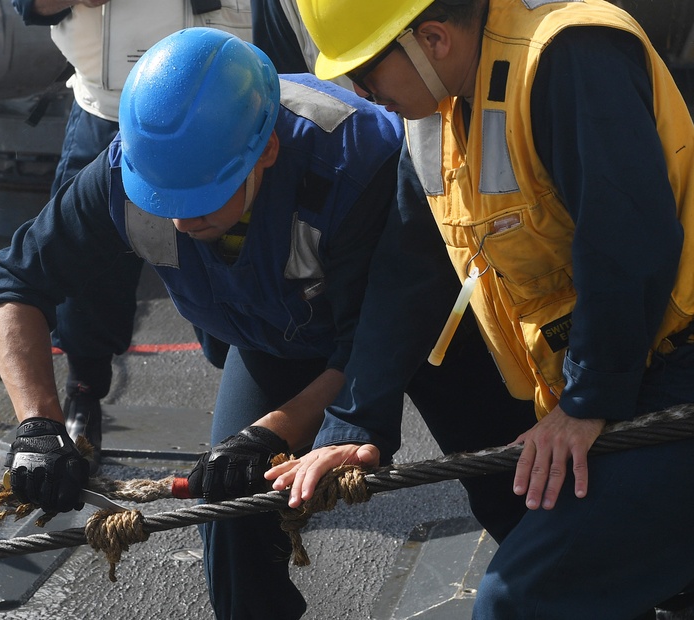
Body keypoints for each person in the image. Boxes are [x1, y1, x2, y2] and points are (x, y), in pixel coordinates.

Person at [268, 0, 694, 617]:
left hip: (673, 370)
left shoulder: (566, 56)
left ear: (433, 39)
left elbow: (626, 238)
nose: (362, 93)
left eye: (366, 73)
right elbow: (408, 272)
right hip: (619, 370)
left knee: (517, 600)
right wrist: (354, 426)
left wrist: (590, 401)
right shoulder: (433, 112)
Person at [0, 27, 417, 620]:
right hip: (274, 339)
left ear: (266, 152)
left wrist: (269, 432)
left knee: (518, 492)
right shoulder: (125, 175)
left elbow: (375, 340)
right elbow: (16, 283)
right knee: (229, 515)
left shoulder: (353, 163)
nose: (183, 222)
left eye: (205, 198)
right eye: (165, 200)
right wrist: (37, 424)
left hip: (428, 324)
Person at [9, 0, 253, 464]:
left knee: (231, 250)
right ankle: (85, 391)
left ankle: (253, 388)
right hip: (106, 109)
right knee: (85, 273)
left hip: (221, 109)